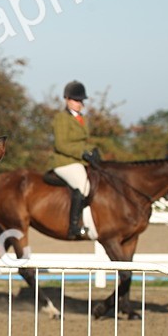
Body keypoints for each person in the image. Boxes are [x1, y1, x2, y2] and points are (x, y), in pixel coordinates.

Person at [48, 80, 99, 239]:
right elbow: (61, 144)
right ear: (67, 99)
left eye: (81, 101)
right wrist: (83, 153)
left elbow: (85, 141)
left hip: (80, 160)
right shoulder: (61, 118)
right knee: (84, 187)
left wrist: (94, 152)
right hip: (65, 161)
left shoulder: (83, 118)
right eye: (76, 100)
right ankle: (74, 227)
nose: (79, 104)